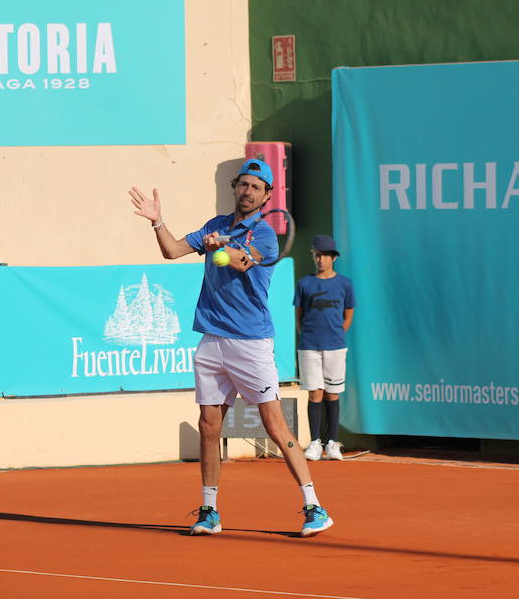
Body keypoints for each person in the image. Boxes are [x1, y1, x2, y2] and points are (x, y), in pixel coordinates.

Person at [128, 159, 334, 537]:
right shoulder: (215, 225)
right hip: (211, 339)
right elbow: (172, 251)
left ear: (267, 195)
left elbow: (241, 262)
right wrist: (158, 222)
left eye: (256, 187)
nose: (247, 191)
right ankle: (209, 511)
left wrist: (218, 249)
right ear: (234, 187)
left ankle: (314, 506)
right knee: (209, 426)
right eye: (243, 184)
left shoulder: (266, 235)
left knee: (274, 425)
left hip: (251, 342)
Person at [294, 235, 355, 461]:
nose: (321, 260)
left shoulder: (344, 284)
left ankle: (332, 444)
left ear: (333, 258)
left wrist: (338, 332)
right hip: (309, 346)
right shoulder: (304, 284)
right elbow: (299, 316)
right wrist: (307, 336)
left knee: (332, 394)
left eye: (325, 256)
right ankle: (314, 444)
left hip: (335, 346)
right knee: (315, 393)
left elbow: (349, 313)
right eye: (317, 255)